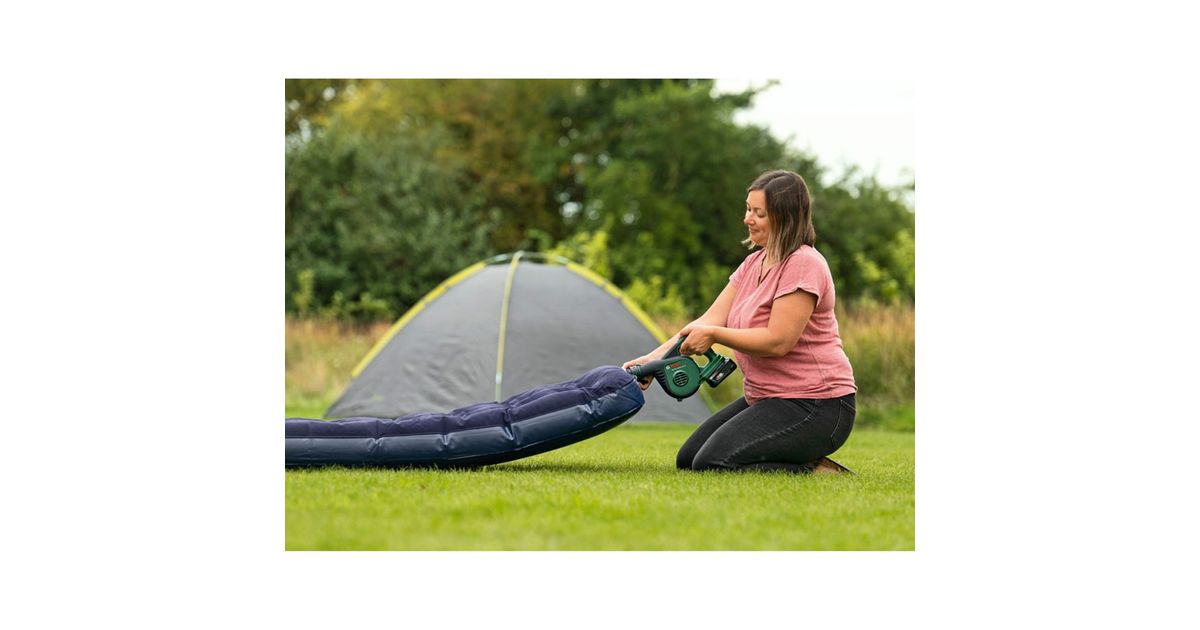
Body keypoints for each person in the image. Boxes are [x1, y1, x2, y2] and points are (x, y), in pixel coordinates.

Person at [622, 170, 856, 473]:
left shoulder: (803, 264)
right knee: (689, 459)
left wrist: (715, 335)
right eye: (748, 209)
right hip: (766, 397)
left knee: (712, 462)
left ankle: (816, 471)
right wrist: (653, 361)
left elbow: (778, 341)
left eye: (759, 213)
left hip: (817, 404)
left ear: (785, 218)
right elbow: (709, 320)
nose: (748, 219)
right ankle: (798, 460)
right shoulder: (753, 263)